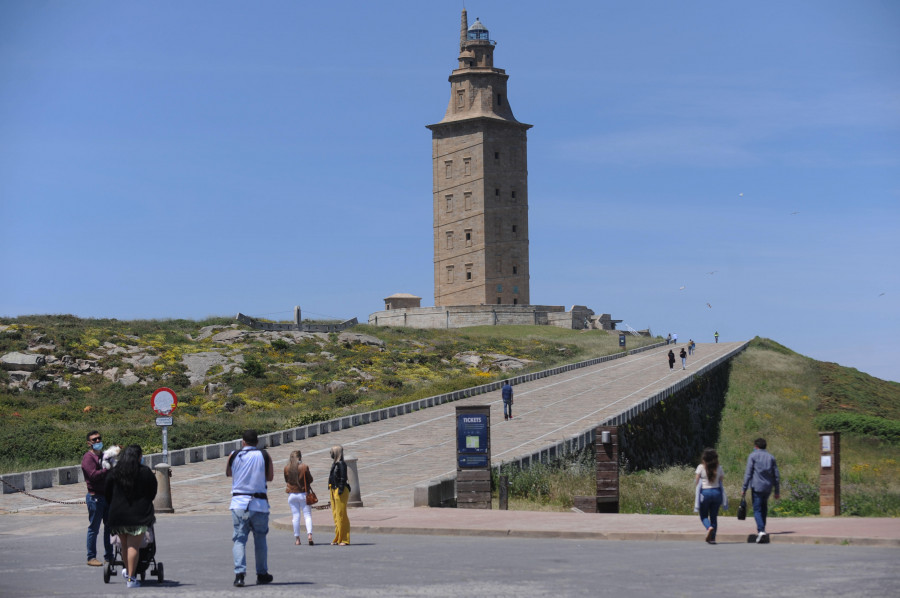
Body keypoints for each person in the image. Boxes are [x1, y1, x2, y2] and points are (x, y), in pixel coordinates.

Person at [105, 445, 157, 588]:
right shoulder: (145, 472)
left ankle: (128, 572)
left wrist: (114, 503)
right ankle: (131, 579)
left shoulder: (114, 472)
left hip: (118, 515)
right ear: (139, 457)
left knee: (124, 546)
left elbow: (107, 492)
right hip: (138, 516)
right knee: (134, 546)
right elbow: (152, 492)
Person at [227, 429, 274, 587]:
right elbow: (270, 477)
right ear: (257, 442)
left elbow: (228, 473)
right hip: (259, 503)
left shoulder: (234, 455)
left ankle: (239, 574)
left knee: (239, 540)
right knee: (260, 540)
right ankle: (262, 573)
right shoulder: (264, 455)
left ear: (243, 442)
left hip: (239, 502)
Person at [81, 430, 113, 567]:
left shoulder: (105, 456)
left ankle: (109, 555)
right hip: (95, 497)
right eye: (94, 440)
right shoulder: (88, 458)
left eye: (99, 438)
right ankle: (91, 557)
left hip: (107, 496)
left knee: (110, 527)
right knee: (94, 528)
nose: (98, 441)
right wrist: (106, 470)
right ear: (89, 443)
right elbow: (93, 475)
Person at [742, 437, 781, 543]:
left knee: (757, 509)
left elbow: (748, 473)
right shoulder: (771, 457)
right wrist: (777, 490)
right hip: (767, 488)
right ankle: (762, 529)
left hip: (757, 487)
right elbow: (776, 475)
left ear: (756, 446)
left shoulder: (753, 456)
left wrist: (744, 488)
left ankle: (761, 530)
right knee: (764, 509)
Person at [694, 448, 727, 544]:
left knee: (703, 515)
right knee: (714, 516)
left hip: (705, 493)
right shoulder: (719, 467)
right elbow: (721, 479)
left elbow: (697, 480)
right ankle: (713, 538)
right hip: (717, 493)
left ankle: (709, 527)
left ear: (704, 458)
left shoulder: (700, 467)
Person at [284, 449, 314, 546]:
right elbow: (310, 479)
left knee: (295, 516)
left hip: (292, 494)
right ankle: (309, 535)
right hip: (303, 493)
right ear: (300, 457)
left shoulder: (287, 468)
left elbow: (286, 480)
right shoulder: (304, 467)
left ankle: (297, 539)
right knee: (307, 515)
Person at [328, 445, 351, 546]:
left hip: (340, 490)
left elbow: (343, 478)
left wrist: (340, 490)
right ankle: (338, 537)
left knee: (341, 515)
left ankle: (344, 539)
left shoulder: (342, 464)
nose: (331, 454)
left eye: (332, 452)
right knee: (336, 515)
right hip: (333, 489)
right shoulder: (335, 463)